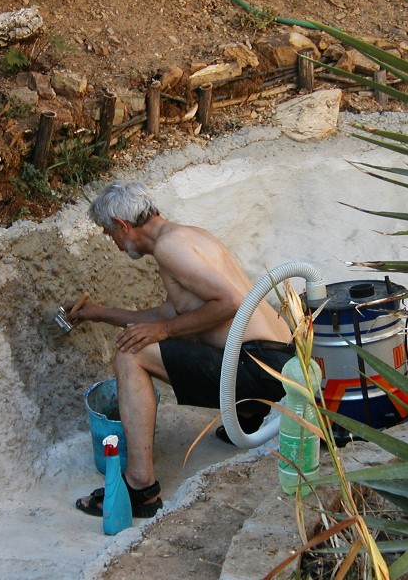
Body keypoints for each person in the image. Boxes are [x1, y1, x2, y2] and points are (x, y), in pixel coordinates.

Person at [71, 181, 294, 519]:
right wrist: (97, 313)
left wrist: (163, 332)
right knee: (167, 334)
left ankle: (139, 487)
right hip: (279, 360)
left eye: (109, 234)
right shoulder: (187, 236)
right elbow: (170, 314)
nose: (114, 244)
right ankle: (247, 417)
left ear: (123, 226)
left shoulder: (169, 248)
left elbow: (229, 303)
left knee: (131, 354)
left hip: (258, 365)